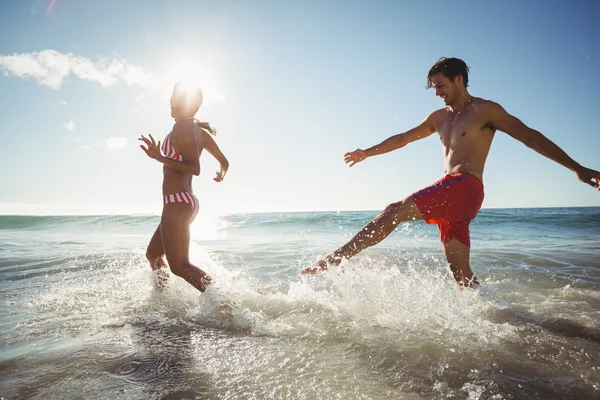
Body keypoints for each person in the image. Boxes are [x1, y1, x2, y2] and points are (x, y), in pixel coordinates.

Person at [301, 57, 600, 289]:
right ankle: (504, 320)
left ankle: (334, 259)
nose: (437, 93)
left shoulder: (486, 110)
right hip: (449, 190)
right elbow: (404, 137)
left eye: (441, 85)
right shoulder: (439, 118)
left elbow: (530, 137)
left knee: (394, 210)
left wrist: (577, 168)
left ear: (459, 79)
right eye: (434, 87)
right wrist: (368, 151)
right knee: (463, 280)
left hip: (466, 186)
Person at [139, 82, 229, 292]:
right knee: (153, 254)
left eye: (180, 99)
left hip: (177, 201)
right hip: (184, 201)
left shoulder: (184, 127)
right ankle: (163, 298)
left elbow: (194, 168)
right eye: (173, 97)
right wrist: (221, 175)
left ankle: (223, 302)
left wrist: (160, 157)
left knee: (179, 266)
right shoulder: (198, 131)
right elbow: (224, 162)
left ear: (192, 106)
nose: (174, 101)